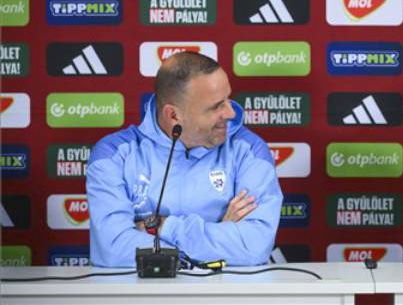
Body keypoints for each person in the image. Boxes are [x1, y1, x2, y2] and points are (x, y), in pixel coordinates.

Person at [86, 52, 282, 267]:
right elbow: (114, 249)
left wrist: (163, 227)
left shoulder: (249, 150)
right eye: (216, 106)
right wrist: (220, 235)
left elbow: (254, 247)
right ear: (173, 115)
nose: (231, 113)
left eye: (228, 98)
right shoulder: (114, 154)